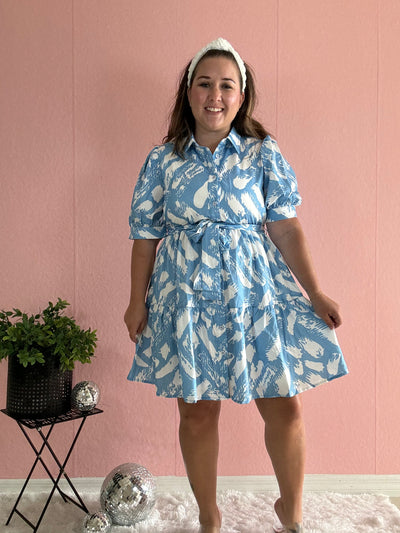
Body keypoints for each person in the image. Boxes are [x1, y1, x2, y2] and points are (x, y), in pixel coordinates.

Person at [124, 37, 348, 533]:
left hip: (254, 296)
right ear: (188, 92)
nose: (215, 95)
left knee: (285, 408)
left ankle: (291, 511)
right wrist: (135, 300)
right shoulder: (162, 160)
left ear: (241, 96)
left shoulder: (261, 153)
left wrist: (316, 291)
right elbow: (145, 236)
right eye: (204, 83)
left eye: (227, 85)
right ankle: (209, 517)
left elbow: (286, 227)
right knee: (197, 414)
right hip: (185, 297)